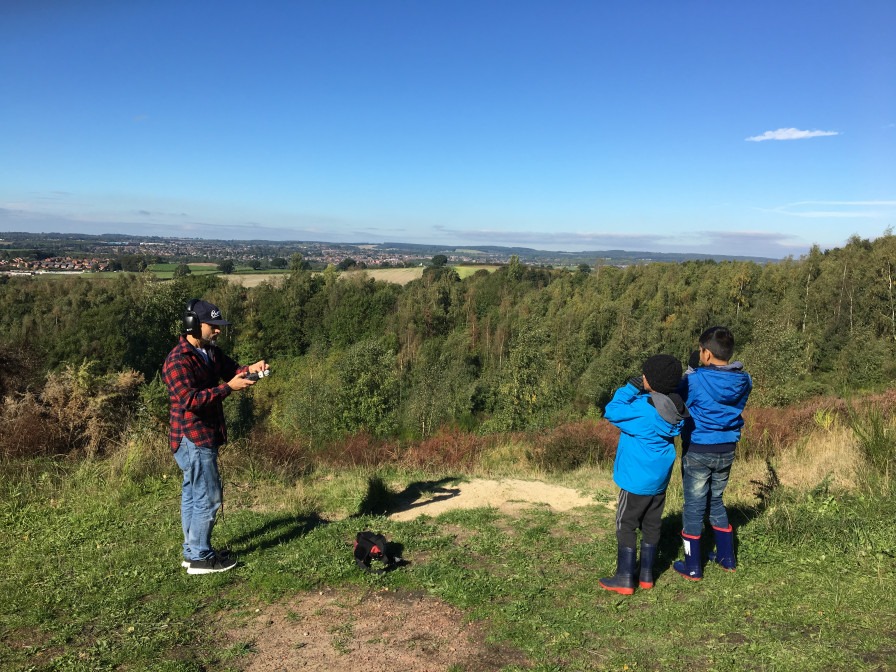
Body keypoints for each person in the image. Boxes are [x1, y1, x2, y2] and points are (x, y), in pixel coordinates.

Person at [163, 298, 268, 574]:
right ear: (194, 325)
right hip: (191, 437)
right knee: (208, 496)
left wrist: (251, 370)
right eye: (214, 326)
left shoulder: (209, 352)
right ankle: (200, 556)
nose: (219, 331)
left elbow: (233, 371)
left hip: (204, 434)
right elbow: (191, 400)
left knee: (193, 493)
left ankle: (191, 551)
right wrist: (228, 389)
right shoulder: (177, 361)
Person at [599, 354, 688, 595]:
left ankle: (625, 578)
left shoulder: (641, 410)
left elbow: (612, 411)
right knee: (652, 523)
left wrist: (630, 387)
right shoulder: (674, 408)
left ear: (650, 380)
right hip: (658, 480)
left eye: (645, 374)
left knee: (625, 524)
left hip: (636, 480)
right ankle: (647, 574)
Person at [673, 326, 752, 581]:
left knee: (693, 507)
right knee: (715, 500)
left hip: (698, 448)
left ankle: (692, 565)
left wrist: (688, 374)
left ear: (705, 354)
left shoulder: (694, 380)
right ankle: (727, 558)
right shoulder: (744, 380)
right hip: (727, 448)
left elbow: (680, 400)